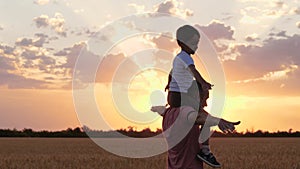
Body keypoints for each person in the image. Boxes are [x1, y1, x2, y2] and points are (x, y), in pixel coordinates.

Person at [152, 25, 240, 168]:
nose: (205, 103)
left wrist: (158, 108)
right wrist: (219, 121)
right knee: (206, 117)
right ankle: (205, 151)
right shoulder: (185, 112)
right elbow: (199, 118)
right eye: (204, 98)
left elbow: (165, 110)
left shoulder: (169, 113)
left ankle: (205, 150)